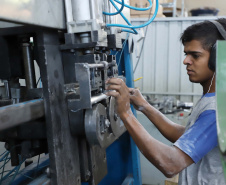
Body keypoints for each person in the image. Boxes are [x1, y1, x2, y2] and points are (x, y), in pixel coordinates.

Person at [105, 18, 226, 185]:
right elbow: (187, 137)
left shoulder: (216, 111)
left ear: (217, 58)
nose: (186, 61)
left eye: (195, 55)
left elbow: (170, 163)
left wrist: (126, 113)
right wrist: (144, 106)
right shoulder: (213, 100)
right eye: (186, 54)